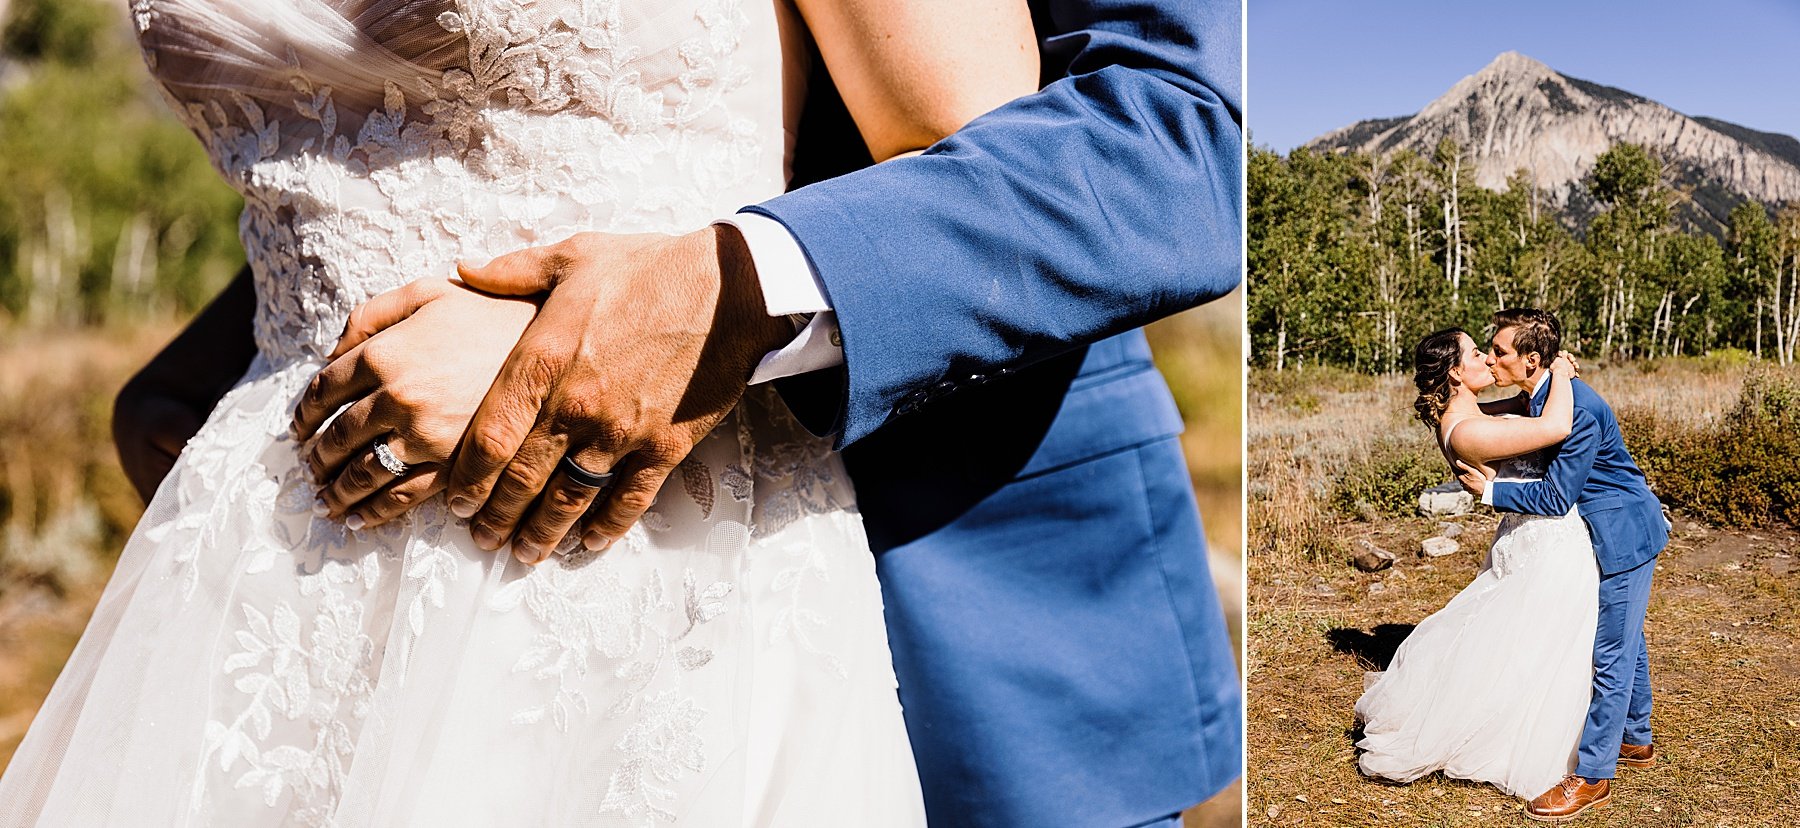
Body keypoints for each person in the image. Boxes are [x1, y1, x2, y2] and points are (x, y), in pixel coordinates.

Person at [0, 0, 1041, 824]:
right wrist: (234, 345)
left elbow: (988, 158)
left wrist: (587, 340)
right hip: (245, 597)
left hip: (620, 560)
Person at [292, 0, 1245, 824]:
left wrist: (724, 296)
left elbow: (1181, 142)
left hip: (972, 565)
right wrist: (262, 335)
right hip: (335, 607)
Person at [1356, 327, 1597, 800]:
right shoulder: (1468, 430)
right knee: (1543, 641)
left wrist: (1540, 378)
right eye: (1475, 353)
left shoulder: (1470, 414)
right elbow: (1555, 427)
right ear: (1454, 372)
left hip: (1528, 537)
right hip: (1543, 539)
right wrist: (1564, 376)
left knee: (1517, 639)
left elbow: (1522, 406)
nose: (1488, 359)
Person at [1456, 308, 1668, 822]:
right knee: (1627, 636)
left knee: (1610, 652)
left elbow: (1555, 495)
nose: (1490, 356)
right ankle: (1636, 740)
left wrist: (1490, 491)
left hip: (1622, 532)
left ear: (1532, 359)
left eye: (1499, 351)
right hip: (1598, 530)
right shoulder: (1545, 390)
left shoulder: (1579, 410)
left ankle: (1593, 777)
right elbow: (1502, 412)